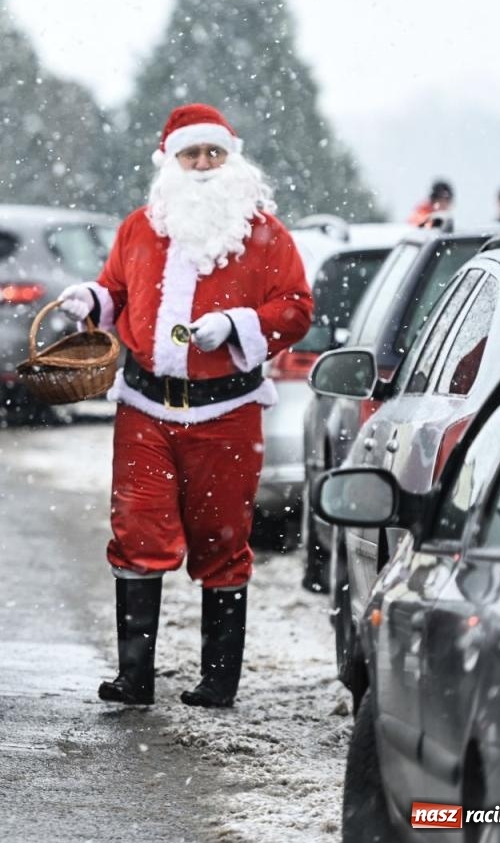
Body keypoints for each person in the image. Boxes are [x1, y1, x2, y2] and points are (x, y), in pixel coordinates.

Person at [57, 103, 312, 708]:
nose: (201, 164)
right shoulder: (140, 227)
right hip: (144, 408)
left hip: (228, 412)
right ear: (169, 162)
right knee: (136, 530)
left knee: (222, 538)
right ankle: (134, 677)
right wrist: (90, 299)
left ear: (232, 159)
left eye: (212, 153)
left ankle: (219, 681)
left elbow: (297, 309)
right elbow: (117, 291)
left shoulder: (266, 235)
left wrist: (237, 324)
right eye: (190, 154)